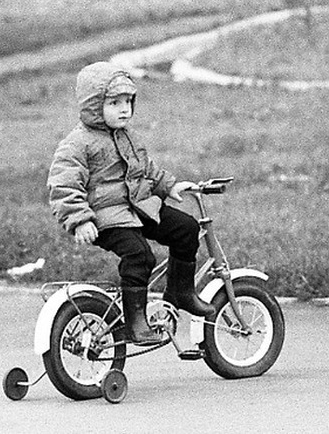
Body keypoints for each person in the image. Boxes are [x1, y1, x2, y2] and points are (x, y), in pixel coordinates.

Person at [48, 61, 215, 345]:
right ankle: (136, 321)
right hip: (105, 217)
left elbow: (146, 170)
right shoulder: (77, 144)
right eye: (114, 102)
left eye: (128, 101)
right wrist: (80, 220)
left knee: (186, 228)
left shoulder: (127, 137)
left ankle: (180, 292)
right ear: (93, 105)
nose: (124, 109)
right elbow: (63, 184)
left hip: (138, 207)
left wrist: (170, 186)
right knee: (140, 255)